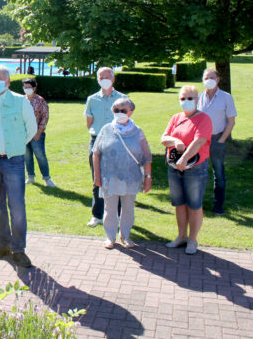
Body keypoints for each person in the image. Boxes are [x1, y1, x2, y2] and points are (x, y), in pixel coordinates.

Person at [0, 66, 37, 268]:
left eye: (0, 78)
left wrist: (15, 146)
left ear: (8, 81)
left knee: (17, 207)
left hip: (13, 161)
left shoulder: (20, 102)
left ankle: (18, 250)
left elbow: (32, 129)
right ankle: (3, 245)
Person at [92, 98, 152, 249]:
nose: (119, 113)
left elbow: (146, 157)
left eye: (123, 110)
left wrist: (148, 177)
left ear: (131, 112)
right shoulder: (106, 129)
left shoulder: (138, 132)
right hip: (109, 177)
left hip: (131, 178)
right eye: (116, 110)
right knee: (109, 208)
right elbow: (96, 153)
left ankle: (125, 236)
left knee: (128, 208)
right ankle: (110, 237)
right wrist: (97, 176)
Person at [161, 85, 212, 255]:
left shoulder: (204, 118)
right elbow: (164, 138)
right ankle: (181, 236)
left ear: (197, 100)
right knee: (179, 204)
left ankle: (192, 240)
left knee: (194, 204)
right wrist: (175, 141)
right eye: (183, 98)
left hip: (195, 168)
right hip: (174, 168)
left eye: (190, 98)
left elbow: (199, 142)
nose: (186, 101)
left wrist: (184, 158)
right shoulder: (176, 118)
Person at [84, 67, 126, 227]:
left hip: (117, 141)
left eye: (107, 76)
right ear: (98, 79)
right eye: (101, 77)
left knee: (117, 179)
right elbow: (89, 122)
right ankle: (97, 215)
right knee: (97, 179)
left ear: (113, 79)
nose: (105, 79)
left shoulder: (122, 98)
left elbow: (127, 120)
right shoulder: (92, 99)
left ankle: (117, 214)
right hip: (97, 142)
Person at [197, 68, 237, 215]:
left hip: (217, 139)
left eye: (212, 77)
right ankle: (197, 205)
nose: (209, 80)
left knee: (218, 174)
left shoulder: (226, 97)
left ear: (218, 79)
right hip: (201, 141)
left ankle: (218, 205)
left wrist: (221, 140)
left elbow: (231, 121)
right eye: (206, 77)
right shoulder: (199, 97)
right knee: (199, 173)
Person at [22, 78, 56, 187]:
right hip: (24, 134)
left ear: (34, 88)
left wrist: (39, 132)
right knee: (27, 156)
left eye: (29, 87)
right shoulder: (21, 100)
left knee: (40, 155)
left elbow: (45, 117)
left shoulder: (40, 100)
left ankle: (47, 179)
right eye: (25, 87)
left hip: (37, 134)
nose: (27, 89)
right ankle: (30, 177)